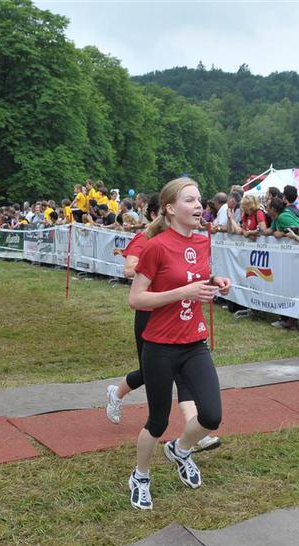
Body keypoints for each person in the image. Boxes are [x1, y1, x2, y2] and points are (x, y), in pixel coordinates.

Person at [125, 177, 232, 511]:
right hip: (159, 346)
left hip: (194, 342)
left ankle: (181, 449)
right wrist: (183, 292)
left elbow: (193, 277)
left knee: (211, 416)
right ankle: (140, 476)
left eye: (199, 199)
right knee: (157, 421)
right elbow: (136, 299)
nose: (199, 205)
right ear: (170, 209)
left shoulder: (202, 242)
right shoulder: (155, 246)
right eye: (190, 200)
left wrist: (215, 281)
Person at [105, 195, 220, 454]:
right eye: (186, 202)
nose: (194, 208)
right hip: (151, 313)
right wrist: (156, 271)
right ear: (163, 212)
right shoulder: (146, 239)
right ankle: (117, 393)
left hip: (180, 314)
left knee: (183, 374)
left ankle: (193, 429)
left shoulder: (192, 242)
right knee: (151, 375)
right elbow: (129, 269)